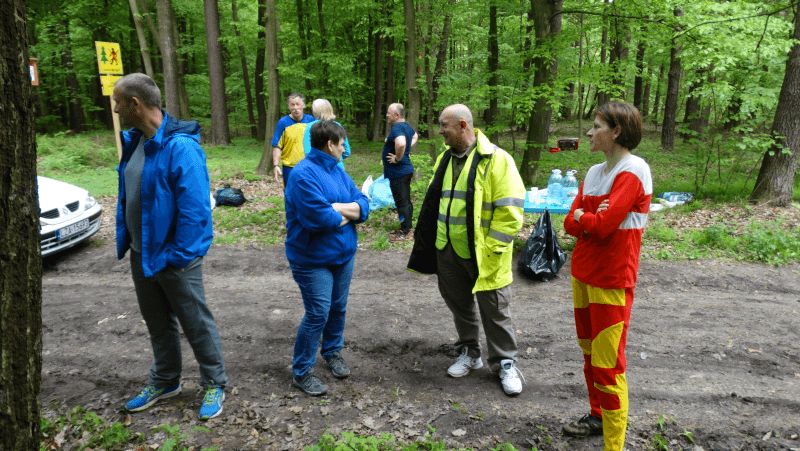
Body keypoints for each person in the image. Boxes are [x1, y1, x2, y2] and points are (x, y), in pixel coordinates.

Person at [112, 73, 227, 420]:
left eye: (118, 102)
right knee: (157, 322)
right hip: (142, 252)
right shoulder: (136, 142)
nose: (115, 109)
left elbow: (195, 211)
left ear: (135, 104)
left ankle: (215, 383)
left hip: (175, 258)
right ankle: (165, 380)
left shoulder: (180, 147)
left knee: (195, 322)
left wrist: (179, 256)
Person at [407, 104, 526, 396]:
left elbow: (510, 212)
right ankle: (470, 352)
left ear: (462, 125)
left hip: (485, 253)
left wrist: (494, 248)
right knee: (460, 306)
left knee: (495, 309)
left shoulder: (497, 159)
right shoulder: (444, 159)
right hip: (448, 249)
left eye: (443, 125)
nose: (440, 131)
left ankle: (505, 363)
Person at [561, 102, 652, 450]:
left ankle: (614, 445)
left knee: (608, 365)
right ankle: (597, 416)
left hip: (612, 280)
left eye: (597, 126)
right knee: (589, 355)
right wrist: (588, 217)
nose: (589, 132)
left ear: (616, 132)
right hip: (583, 274)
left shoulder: (634, 170)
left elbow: (602, 226)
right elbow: (570, 223)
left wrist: (587, 217)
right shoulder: (594, 172)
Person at [284, 120, 370, 396]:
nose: (345, 149)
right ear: (330, 144)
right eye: (342, 144)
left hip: (343, 255)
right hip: (312, 259)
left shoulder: (337, 171)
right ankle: (301, 371)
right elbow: (321, 219)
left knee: (338, 307)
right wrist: (345, 213)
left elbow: (364, 204)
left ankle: (332, 351)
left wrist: (338, 209)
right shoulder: (303, 175)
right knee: (318, 312)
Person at [383, 103, 418, 240]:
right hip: (404, 171)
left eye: (389, 113)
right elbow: (415, 136)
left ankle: (405, 231)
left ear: (396, 115)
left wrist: (397, 158)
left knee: (401, 202)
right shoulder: (406, 126)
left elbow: (401, 143)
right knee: (405, 200)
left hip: (399, 172)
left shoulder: (397, 127)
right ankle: (408, 227)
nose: (387, 115)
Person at [272, 93, 315, 187]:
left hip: (309, 165)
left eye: (298, 104)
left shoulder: (311, 121)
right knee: (290, 193)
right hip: (289, 167)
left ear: (303, 105)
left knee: (308, 193)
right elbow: (277, 146)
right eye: (292, 104)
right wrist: (276, 165)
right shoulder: (283, 123)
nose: (295, 107)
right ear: (289, 106)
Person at [302, 98, 351, 169]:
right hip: (337, 167)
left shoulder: (310, 127)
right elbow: (347, 151)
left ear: (315, 111)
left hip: (318, 168)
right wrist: (336, 158)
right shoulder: (338, 126)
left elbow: (307, 151)